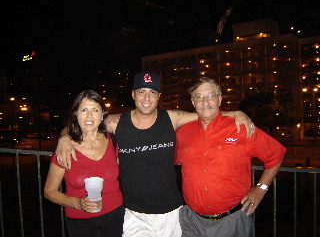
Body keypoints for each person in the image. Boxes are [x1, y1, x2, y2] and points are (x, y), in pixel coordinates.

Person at [56, 72, 255, 237]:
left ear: (159, 96)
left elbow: (207, 113)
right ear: (133, 94)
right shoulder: (116, 122)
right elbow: (84, 122)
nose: (147, 98)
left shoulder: (172, 117)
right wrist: (64, 138)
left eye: (152, 92)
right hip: (134, 214)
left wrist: (235, 113)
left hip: (172, 212)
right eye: (141, 91)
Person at [175, 77, 286, 237]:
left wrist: (261, 189)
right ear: (193, 102)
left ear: (220, 99)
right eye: (199, 97)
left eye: (211, 96)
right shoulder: (183, 132)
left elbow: (277, 154)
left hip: (232, 221)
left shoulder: (241, 127)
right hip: (192, 222)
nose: (205, 101)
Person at [44, 90, 124, 237]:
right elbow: (49, 191)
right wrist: (77, 203)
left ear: (102, 115)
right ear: (76, 114)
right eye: (84, 110)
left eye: (95, 110)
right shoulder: (65, 149)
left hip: (115, 216)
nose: (89, 116)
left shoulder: (113, 141)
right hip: (80, 221)